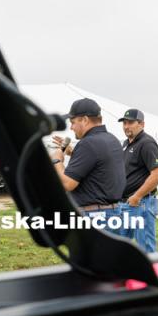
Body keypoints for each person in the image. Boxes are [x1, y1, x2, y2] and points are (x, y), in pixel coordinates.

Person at [51, 98, 125, 234]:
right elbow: (97, 167)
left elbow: (67, 184)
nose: (71, 127)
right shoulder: (111, 139)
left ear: (84, 120)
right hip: (112, 213)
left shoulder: (88, 143)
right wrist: (73, 152)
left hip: (94, 216)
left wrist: (57, 161)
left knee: (91, 256)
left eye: (73, 122)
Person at [118, 109, 158, 253]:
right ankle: (124, 275)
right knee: (119, 246)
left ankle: (150, 275)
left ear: (142, 124)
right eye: (124, 123)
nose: (126, 126)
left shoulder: (147, 143)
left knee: (146, 248)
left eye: (130, 122)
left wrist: (137, 196)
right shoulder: (126, 143)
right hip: (125, 204)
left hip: (141, 204)